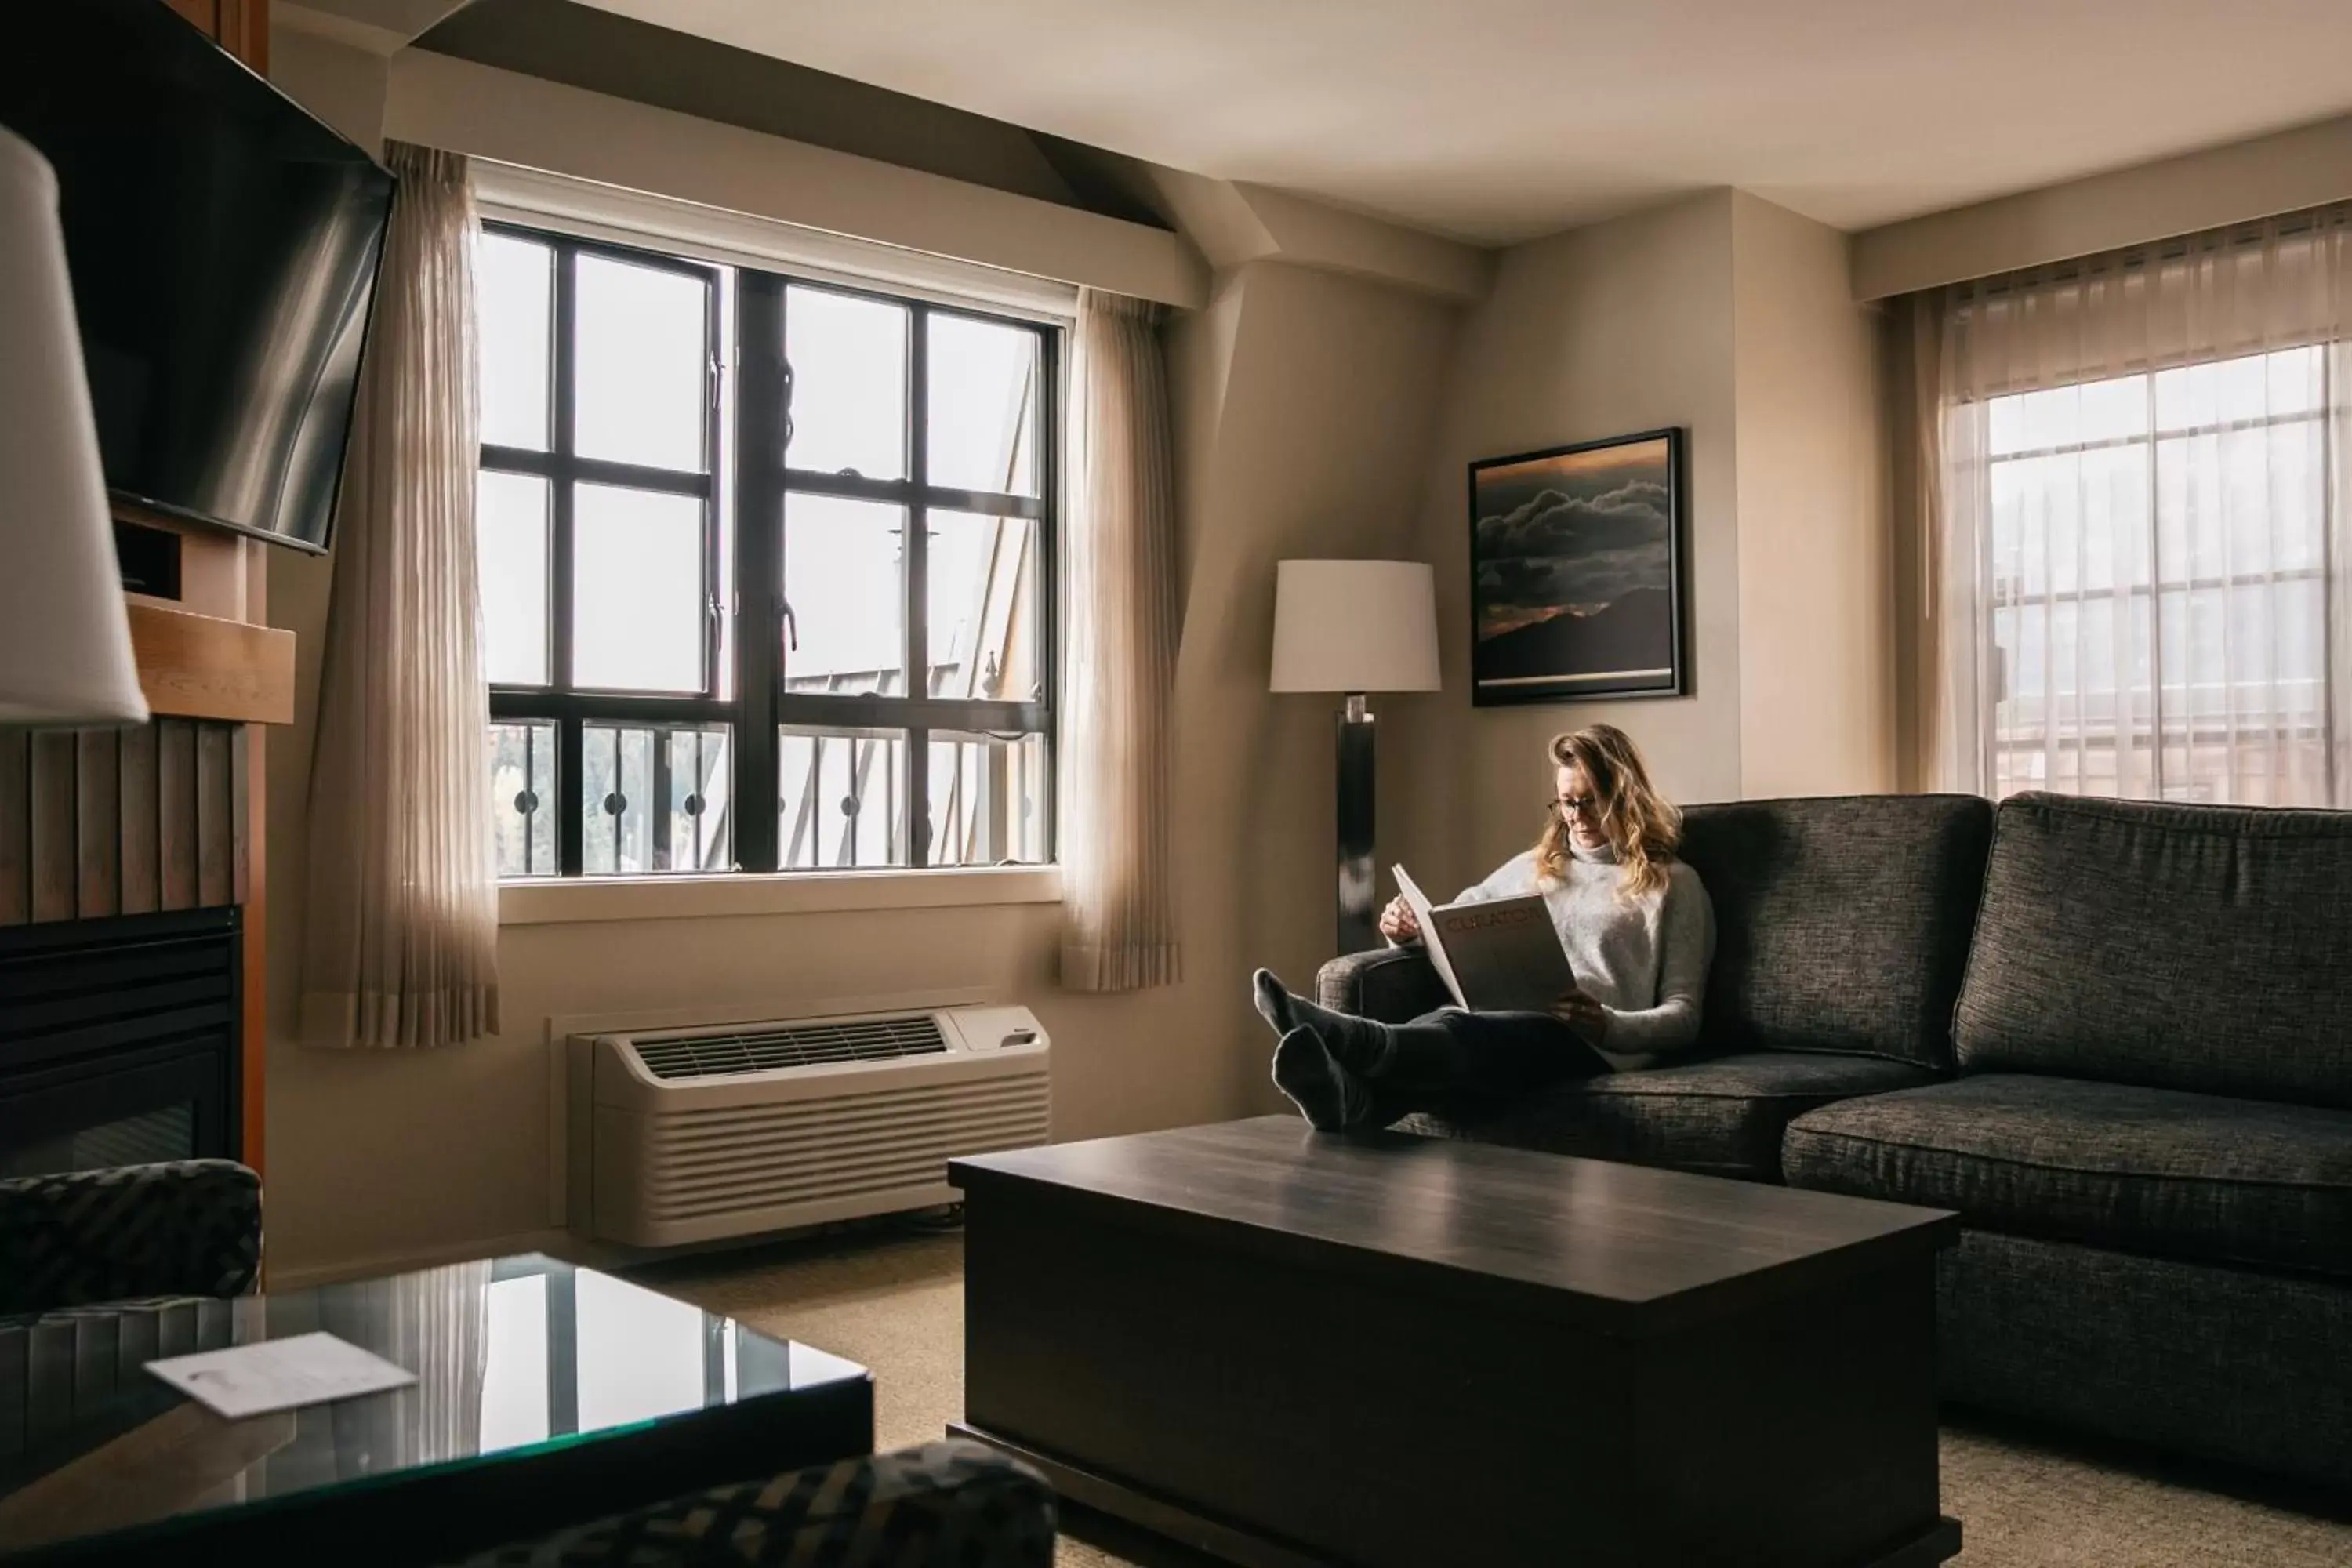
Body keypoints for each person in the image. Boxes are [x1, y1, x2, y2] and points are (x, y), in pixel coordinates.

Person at [1252, 723, 1715, 1131]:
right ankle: (1353, 1104)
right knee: (1452, 1021)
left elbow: (1684, 1016)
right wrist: (1407, 931)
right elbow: (1450, 927)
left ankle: (1349, 1038)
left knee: (1470, 1034)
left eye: (1590, 801)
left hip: (1588, 1042)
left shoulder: (1673, 884)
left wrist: (1608, 1024)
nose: (1576, 816)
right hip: (1497, 1017)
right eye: (1565, 802)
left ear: (1624, 796)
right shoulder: (1533, 867)